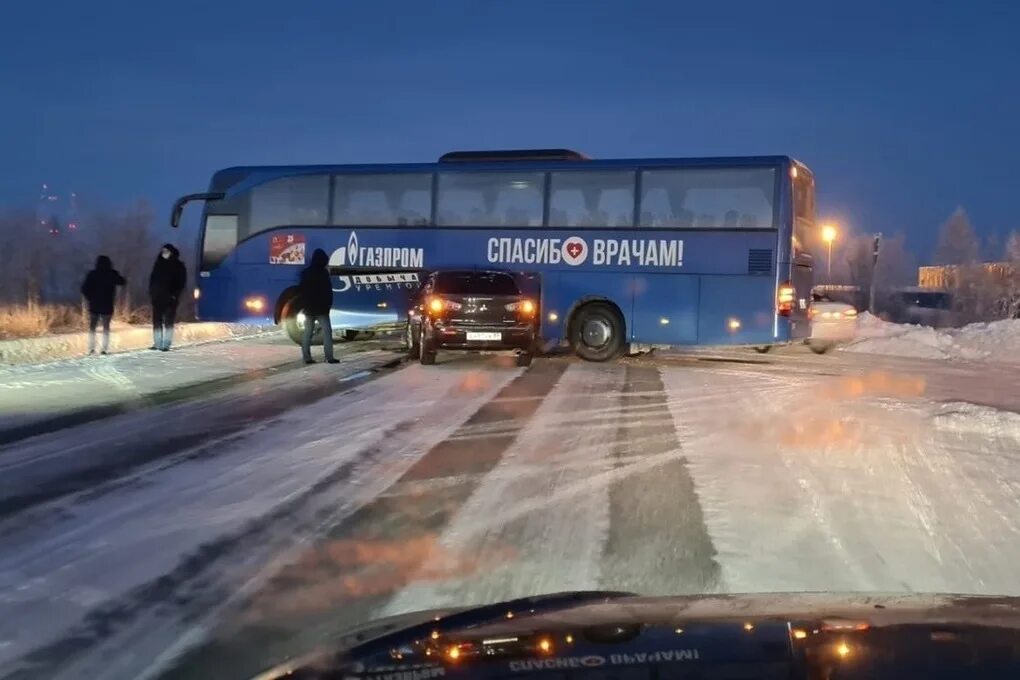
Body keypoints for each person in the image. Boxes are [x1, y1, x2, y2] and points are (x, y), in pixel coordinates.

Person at [297, 248, 339, 364]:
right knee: (327, 332)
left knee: (308, 333)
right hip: (322, 309)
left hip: (309, 309)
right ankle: (329, 357)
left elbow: (301, 291)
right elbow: (327, 291)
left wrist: (303, 306)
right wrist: (328, 305)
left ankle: (307, 358)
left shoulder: (305, 273)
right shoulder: (324, 273)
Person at [80, 255, 126, 355]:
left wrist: (90, 298)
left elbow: (84, 289)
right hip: (107, 304)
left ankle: (91, 348)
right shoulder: (112, 273)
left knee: (93, 327)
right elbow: (122, 281)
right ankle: (104, 349)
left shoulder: (92, 274)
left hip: (94, 305)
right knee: (106, 327)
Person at [148, 243, 187, 352]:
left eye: (166, 251)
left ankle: (166, 343)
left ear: (171, 252)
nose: (164, 253)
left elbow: (181, 282)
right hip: (157, 297)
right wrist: (152, 293)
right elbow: (152, 280)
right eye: (163, 251)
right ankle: (157, 342)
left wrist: (175, 295)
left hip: (171, 297)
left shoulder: (178, 265)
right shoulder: (158, 264)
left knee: (168, 321)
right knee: (157, 321)